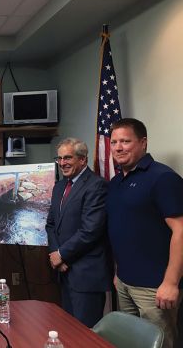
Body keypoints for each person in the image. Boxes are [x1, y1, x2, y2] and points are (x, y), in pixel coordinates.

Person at [107, 118, 183, 348]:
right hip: (124, 282)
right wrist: (119, 273)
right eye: (114, 142)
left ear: (143, 143)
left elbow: (180, 230)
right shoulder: (116, 181)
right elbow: (124, 229)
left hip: (155, 287)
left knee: (158, 343)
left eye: (126, 141)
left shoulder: (162, 178)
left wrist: (171, 282)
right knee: (127, 342)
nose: (118, 147)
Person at [46, 138, 112, 327]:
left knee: (86, 334)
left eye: (68, 158)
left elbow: (90, 230)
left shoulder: (96, 185)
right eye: (59, 159)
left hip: (85, 275)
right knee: (69, 331)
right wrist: (55, 254)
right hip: (63, 272)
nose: (62, 163)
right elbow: (51, 225)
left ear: (82, 160)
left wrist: (62, 254)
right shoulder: (59, 187)